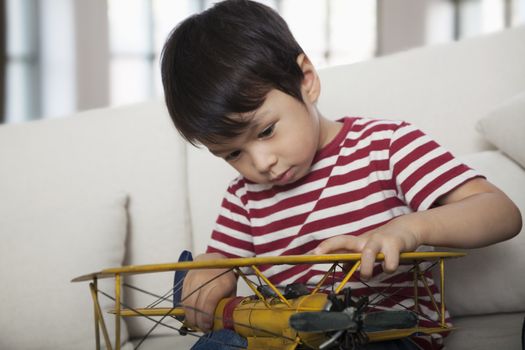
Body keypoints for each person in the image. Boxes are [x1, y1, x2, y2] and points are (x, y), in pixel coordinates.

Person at [160, 1, 522, 349]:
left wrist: (409, 229)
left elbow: (500, 212)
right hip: (289, 339)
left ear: (307, 80)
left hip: (385, 336)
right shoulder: (244, 197)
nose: (261, 163)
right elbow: (220, 256)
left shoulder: (386, 145)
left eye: (266, 131)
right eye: (233, 153)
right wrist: (213, 267)